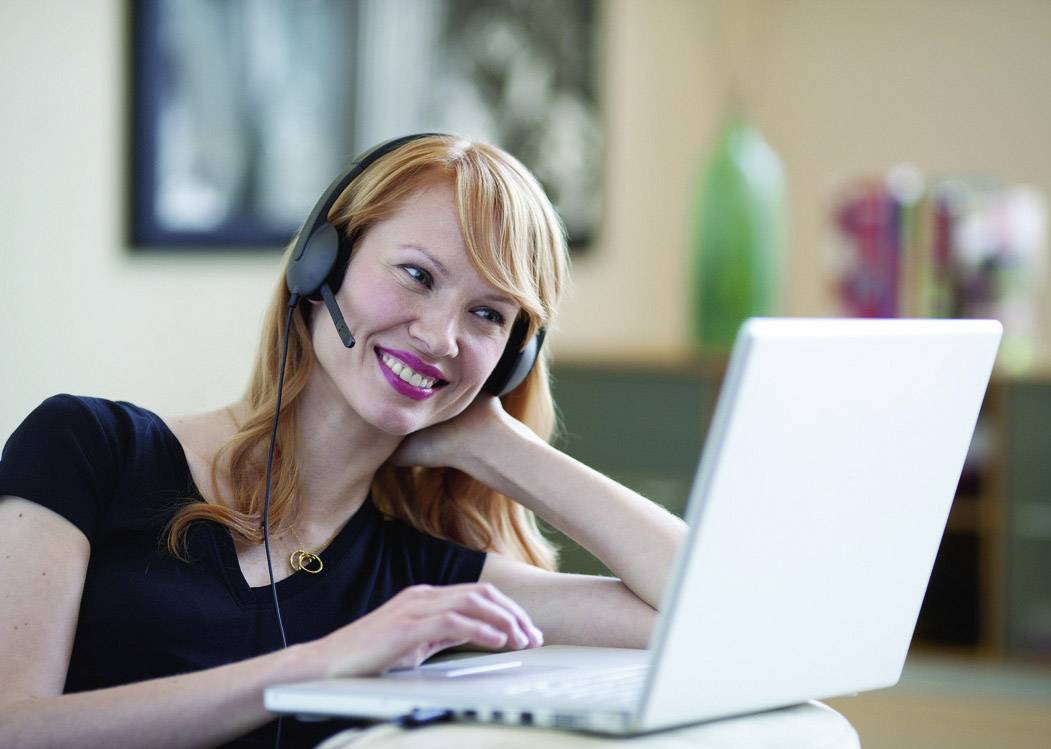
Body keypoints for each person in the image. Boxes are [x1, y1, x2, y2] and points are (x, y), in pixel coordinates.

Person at [0, 134, 686, 748]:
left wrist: (498, 446)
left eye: (487, 314)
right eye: (417, 275)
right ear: (321, 264)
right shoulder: (88, 449)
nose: (440, 336)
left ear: (511, 358)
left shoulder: (421, 582)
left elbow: (714, 615)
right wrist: (318, 663)